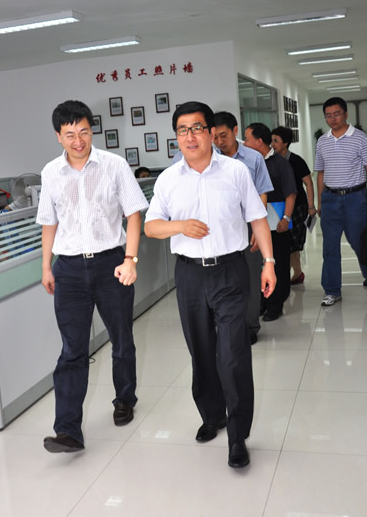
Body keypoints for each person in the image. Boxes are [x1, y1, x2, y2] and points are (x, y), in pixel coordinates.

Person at [144, 101, 276, 469]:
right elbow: (151, 226)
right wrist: (180, 226)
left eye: (197, 128)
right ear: (177, 137)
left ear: (210, 132)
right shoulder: (169, 179)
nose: (190, 136)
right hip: (189, 275)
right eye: (183, 130)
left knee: (233, 355)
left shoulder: (235, 171)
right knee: (201, 352)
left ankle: (238, 436)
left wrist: (269, 263)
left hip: (230, 271)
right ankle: (212, 415)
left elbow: (258, 218)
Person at [36, 100, 148, 454]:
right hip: (68, 270)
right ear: (58, 136)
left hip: (110, 264)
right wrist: (46, 265)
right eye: (70, 134)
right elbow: (49, 222)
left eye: (84, 132)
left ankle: (124, 397)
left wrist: (130, 259)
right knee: (72, 349)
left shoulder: (114, 165)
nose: (78, 140)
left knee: (121, 338)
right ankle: (68, 430)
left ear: (91, 130)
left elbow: (134, 214)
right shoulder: (50, 173)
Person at [314, 96, 367, 306]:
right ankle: (332, 290)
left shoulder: (361, 138)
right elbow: (320, 173)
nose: (333, 119)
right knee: (330, 247)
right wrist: (320, 201)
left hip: (355, 198)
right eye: (328, 116)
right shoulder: (322, 141)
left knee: (359, 241)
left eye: (336, 114)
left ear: (345, 114)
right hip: (330, 198)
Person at [214, 111, 273, 345]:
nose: (219, 141)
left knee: (249, 276)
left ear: (235, 131)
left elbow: (262, 193)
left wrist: (259, 229)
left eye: (224, 135)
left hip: (248, 225)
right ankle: (224, 326)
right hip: (220, 227)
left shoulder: (253, 158)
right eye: (215, 137)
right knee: (221, 278)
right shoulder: (210, 158)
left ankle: (250, 326)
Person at [244, 123, 297, 322]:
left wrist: (286, 218)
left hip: (277, 219)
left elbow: (291, 193)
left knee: (278, 263)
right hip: (255, 220)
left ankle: (276, 304)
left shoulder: (280, 163)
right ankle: (261, 301)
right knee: (256, 264)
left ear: (259, 141)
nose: (244, 143)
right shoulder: (248, 162)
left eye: (247, 139)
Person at [271, 126, 317, 285]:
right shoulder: (272, 160)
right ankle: (297, 273)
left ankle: (291, 273)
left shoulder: (296, 161)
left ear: (285, 143)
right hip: (280, 206)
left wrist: (311, 206)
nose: (272, 144)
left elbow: (308, 183)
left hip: (298, 206)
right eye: (271, 141)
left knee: (292, 242)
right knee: (288, 241)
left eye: (276, 141)